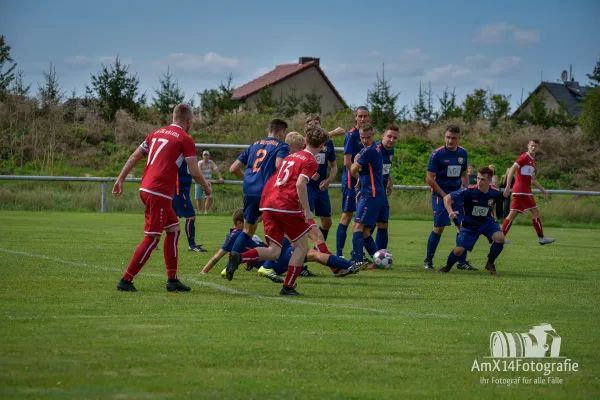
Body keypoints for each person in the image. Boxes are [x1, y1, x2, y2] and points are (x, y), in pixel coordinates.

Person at [112, 103, 211, 292]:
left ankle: (172, 279)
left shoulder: (155, 133)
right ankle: (126, 280)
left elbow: (134, 157)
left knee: (173, 230)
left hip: (147, 187)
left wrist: (120, 179)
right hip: (159, 191)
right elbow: (195, 171)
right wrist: (206, 188)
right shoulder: (185, 138)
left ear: (173, 117)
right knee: (152, 238)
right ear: (189, 120)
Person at [224, 126, 331, 296]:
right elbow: (299, 184)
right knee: (302, 247)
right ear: (323, 145)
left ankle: (239, 257)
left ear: (304, 141)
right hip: (284, 204)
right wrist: (308, 211)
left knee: (273, 250)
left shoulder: (287, 155)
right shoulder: (308, 160)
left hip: (267, 201)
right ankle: (287, 286)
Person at [228, 119, 290, 257]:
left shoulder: (254, 145)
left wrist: (248, 179)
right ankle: (274, 263)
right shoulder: (282, 146)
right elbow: (279, 167)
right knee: (283, 227)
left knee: (247, 229)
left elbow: (233, 169)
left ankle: (231, 263)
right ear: (281, 131)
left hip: (249, 190)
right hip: (267, 192)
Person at [424, 125, 476, 271]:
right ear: (444, 136)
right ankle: (428, 260)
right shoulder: (437, 154)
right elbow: (429, 178)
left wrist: (465, 191)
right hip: (440, 195)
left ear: (458, 139)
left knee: (462, 227)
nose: (450, 141)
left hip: (457, 194)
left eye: (453, 138)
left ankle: (462, 261)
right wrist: (444, 195)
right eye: (448, 137)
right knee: (439, 227)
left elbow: (464, 174)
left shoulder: (462, 153)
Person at [438, 167, 506, 275]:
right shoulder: (469, 190)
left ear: (489, 180)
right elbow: (447, 198)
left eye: (483, 179)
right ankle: (448, 266)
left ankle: (490, 263)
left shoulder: (494, 192)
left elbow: (501, 198)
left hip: (487, 221)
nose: (479, 181)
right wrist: (450, 211)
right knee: (459, 250)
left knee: (500, 238)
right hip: (470, 224)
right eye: (478, 178)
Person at [501, 139, 556, 245]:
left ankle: (500, 238)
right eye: (532, 145)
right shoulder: (524, 157)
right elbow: (512, 170)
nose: (533, 148)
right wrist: (508, 186)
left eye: (535, 146)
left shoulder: (532, 161)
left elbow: (533, 180)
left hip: (522, 191)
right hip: (522, 191)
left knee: (512, 215)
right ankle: (542, 238)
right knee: (535, 212)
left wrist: (542, 189)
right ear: (528, 146)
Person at [349, 123, 387, 264]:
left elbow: (353, 169)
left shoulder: (368, 151)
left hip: (371, 194)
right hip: (373, 193)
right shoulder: (375, 148)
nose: (365, 140)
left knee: (357, 226)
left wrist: (356, 158)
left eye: (368, 137)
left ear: (373, 135)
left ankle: (357, 259)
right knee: (365, 231)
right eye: (362, 137)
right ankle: (379, 260)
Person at [336, 106, 370, 257]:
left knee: (364, 218)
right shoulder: (351, 135)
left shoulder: (368, 135)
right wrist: (358, 178)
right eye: (360, 116)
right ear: (355, 117)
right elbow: (347, 162)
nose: (362, 119)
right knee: (347, 216)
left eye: (365, 116)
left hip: (365, 183)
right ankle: (339, 254)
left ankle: (357, 252)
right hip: (351, 181)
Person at [305, 115, 338, 244]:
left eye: (317, 123)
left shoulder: (328, 143)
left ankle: (317, 247)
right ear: (306, 127)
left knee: (327, 222)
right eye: (312, 124)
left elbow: (334, 165)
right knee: (307, 219)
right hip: (307, 185)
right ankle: (303, 250)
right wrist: (307, 173)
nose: (315, 126)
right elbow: (295, 162)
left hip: (321, 187)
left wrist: (329, 179)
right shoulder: (303, 141)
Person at [373, 126, 399, 251]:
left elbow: (385, 168)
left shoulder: (391, 151)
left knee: (383, 223)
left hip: (382, 192)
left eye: (395, 138)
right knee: (368, 225)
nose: (391, 140)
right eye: (389, 136)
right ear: (383, 135)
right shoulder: (375, 149)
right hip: (371, 192)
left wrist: (389, 180)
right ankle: (358, 254)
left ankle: (380, 254)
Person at [172, 159, 206, 253]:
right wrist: (205, 185)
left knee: (167, 219)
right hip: (179, 192)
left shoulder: (184, 158)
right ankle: (192, 245)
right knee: (191, 217)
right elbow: (195, 174)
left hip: (179, 191)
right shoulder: (182, 159)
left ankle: (153, 242)